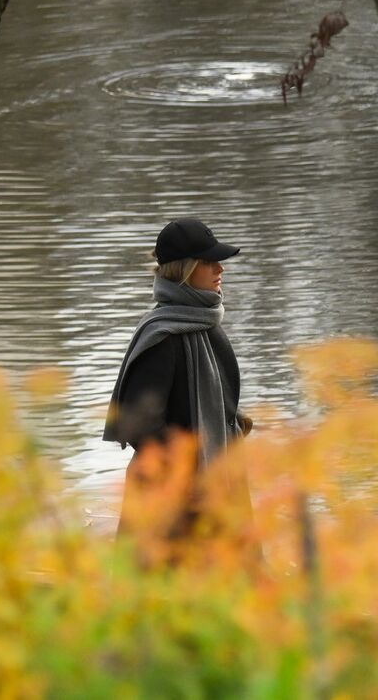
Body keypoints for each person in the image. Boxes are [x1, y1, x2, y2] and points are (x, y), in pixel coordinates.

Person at [104, 217, 253, 538]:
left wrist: (232, 421)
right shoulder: (162, 338)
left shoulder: (204, 322)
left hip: (213, 478)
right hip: (171, 497)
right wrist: (187, 472)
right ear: (185, 270)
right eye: (209, 262)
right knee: (167, 584)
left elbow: (198, 398)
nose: (220, 269)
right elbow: (140, 426)